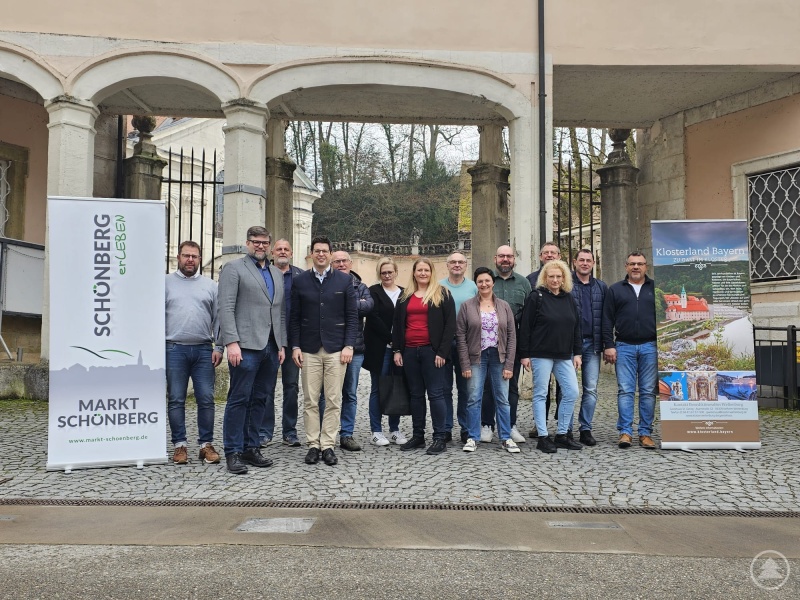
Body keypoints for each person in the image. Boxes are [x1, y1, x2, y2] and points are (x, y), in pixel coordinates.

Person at [218, 226, 286, 474]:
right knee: (239, 399)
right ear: (247, 243)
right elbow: (225, 308)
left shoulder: (276, 273)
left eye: (264, 242)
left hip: (271, 347)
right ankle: (233, 451)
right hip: (245, 347)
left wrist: (282, 344)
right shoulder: (234, 269)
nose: (260, 246)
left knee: (261, 399)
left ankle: (251, 447)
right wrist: (231, 342)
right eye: (255, 242)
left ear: (269, 245)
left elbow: (279, 313)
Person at [290, 236, 358, 467]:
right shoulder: (300, 281)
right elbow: (295, 318)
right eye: (317, 251)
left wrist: (349, 345)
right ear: (311, 254)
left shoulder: (343, 280)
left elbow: (352, 316)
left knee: (333, 399)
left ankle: (327, 444)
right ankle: (312, 444)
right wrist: (296, 346)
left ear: (330, 254)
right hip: (308, 349)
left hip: (336, 349)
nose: (321, 254)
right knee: (310, 399)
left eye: (324, 251)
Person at [165, 240, 223, 465]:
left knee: (206, 399)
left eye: (194, 256)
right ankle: (179, 445)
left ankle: (205, 444)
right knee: (176, 399)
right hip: (174, 348)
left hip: (203, 349)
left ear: (200, 259)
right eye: (186, 256)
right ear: (178, 257)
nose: (190, 260)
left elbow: (219, 319)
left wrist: (219, 346)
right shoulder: (165, 283)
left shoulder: (210, 286)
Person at [392, 257, 456, 455]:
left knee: (436, 394)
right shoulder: (405, 296)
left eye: (426, 270)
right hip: (410, 351)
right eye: (419, 270)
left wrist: (442, 352)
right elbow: (397, 325)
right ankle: (418, 435)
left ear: (431, 272)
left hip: (432, 352)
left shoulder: (442, 293)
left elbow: (450, 326)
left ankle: (439, 437)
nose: (422, 273)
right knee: (416, 395)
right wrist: (397, 350)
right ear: (413, 272)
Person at [519, 259, 584, 453]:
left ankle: (562, 434)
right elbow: (525, 327)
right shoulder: (536, 297)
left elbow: (576, 327)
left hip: (564, 354)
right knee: (541, 393)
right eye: (551, 276)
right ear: (544, 278)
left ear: (564, 278)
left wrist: (578, 352)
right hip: (541, 353)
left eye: (558, 276)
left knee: (572, 391)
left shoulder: (569, 298)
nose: (555, 280)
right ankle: (543, 436)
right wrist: (524, 355)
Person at [456, 267, 519, 453]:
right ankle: (473, 437)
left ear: (493, 282)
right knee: (474, 397)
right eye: (480, 281)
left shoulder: (504, 306)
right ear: (476, 284)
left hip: (499, 356)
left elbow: (511, 336)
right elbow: (460, 336)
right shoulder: (467, 306)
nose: (484, 284)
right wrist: (465, 363)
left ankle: (506, 437)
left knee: (502, 398)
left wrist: (509, 364)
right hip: (477, 357)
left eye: (487, 281)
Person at [602, 252, 658, 450]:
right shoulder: (615, 289)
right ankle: (625, 432)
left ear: (646, 267)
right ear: (626, 266)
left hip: (651, 346)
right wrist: (609, 345)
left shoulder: (655, 288)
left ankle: (645, 433)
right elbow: (607, 319)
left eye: (640, 264)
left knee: (648, 391)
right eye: (632, 264)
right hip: (624, 346)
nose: (636, 267)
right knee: (625, 391)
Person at [481, 245, 530, 444]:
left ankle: (509, 425)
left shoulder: (523, 283)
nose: (505, 260)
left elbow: (528, 318)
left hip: (513, 343)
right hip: (487, 343)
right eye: (501, 256)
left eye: (509, 256)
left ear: (514, 259)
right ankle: (486, 425)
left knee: (511, 387)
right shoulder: (486, 280)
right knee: (486, 387)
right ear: (495, 258)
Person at [257, 238, 304, 447]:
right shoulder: (263, 274)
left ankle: (290, 431)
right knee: (266, 387)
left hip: (294, 340)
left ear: (291, 254)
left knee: (291, 386)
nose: (282, 252)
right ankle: (265, 431)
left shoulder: (302, 277)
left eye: (286, 249)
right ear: (272, 252)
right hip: (269, 338)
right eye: (279, 249)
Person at [327, 250, 374, 452]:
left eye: (344, 260)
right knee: (326, 393)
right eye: (336, 261)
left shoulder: (360, 286)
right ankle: (326, 433)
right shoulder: (324, 283)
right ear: (332, 263)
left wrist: (341, 303)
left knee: (350, 393)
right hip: (328, 346)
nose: (340, 264)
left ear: (351, 263)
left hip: (354, 348)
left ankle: (346, 434)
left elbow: (368, 307)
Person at [363, 257, 408, 446]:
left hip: (400, 350)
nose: (387, 275)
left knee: (397, 386)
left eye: (390, 272)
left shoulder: (405, 293)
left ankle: (395, 429)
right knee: (377, 388)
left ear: (396, 272)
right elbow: (373, 318)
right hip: (380, 348)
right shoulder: (373, 291)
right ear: (379, 274)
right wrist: (391, 338)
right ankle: (376, 430)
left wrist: (399, 343)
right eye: (383, 273)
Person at [439, 251, 478, 443]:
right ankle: (446, 428)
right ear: (447, 265)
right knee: (445, 388)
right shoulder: (438, 286)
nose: (456, 265)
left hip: (467, 343)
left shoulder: (473, 287)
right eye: (453, 262)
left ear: (465, 265)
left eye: (460, 262)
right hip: (444, 343)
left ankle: (465, 427)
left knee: (466, 389)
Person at [570, 249, 608, 446]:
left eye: (588, 260)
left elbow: (607, 318)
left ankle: (585, 428)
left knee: (591, 389)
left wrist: (607, 344)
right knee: (568, 389)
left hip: (593, 345)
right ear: (574, 262)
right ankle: (566, 429)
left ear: (593, 263)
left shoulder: (601, 287)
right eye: (581, 260)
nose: (585, 263)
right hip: (569, 345)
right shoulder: (567, 285)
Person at [526, 241, 562, 437]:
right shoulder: (531, 280)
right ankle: (541, 425)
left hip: (563, 342)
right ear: (540, 257)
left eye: (553, 252)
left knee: (565, 388)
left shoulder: (566, 279)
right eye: (545, 253)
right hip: (541, 343)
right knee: (543, 387)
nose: (549, 255)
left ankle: (564, 427)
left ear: (559, 256)